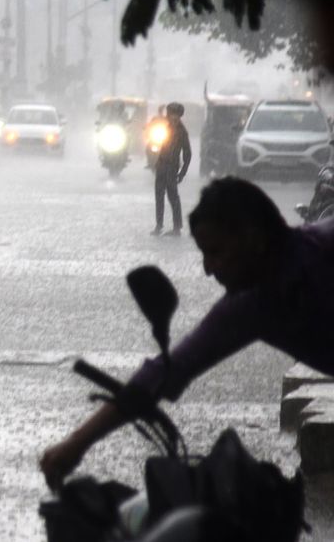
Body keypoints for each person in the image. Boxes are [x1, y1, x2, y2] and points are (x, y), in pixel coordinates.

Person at [41, 177, 334, 490]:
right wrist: (76, 444)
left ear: (254, 238)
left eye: (216, 251)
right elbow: (166, 371)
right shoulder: (249, 308)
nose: (208, 268)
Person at [151, 102, 191, 237]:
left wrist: (182, 172)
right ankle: (159, 224)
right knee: (159, 195)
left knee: (173, 196)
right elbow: (156, 144)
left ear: (180, 117)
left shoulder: (182, 132)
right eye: (171, 115)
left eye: (176, 116)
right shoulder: (165, 128)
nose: (173, 118)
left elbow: (187, 153)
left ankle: (177, 227)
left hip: (172, 167)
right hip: (161, 166)